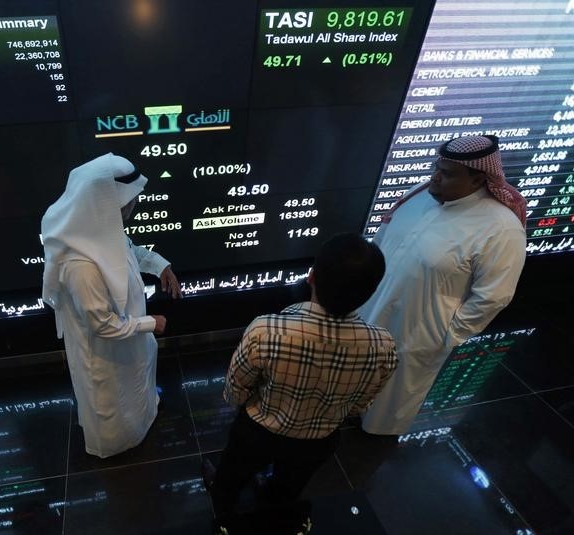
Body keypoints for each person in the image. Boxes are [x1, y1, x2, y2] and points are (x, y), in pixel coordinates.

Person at [203, 233, 397, 533]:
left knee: (231, 478)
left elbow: (235, 391)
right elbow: (359, 405)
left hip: (257, 433)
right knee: (288, 486)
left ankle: (224, 511)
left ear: (312, 277)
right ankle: (271, 500)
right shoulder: (383, 346)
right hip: (319, 440)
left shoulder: (266, 331)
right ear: (372, 291)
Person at [360, 134, 527, 436]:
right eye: (436, 168)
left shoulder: (502, 228)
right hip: (369, 310)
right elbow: (381, 241)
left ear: (478, 179)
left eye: (447, 173)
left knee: (390, 398)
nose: (435, 177)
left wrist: (448, 335)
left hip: (419, 330)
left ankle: (374, 438)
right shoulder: (418, 195)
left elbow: (494, 296)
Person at [41, 153, 181, 458]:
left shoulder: (102, 230)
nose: (134, 204)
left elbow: (128, 252)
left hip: (130, 340)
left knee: (137, 388)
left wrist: (160, 265)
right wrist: (151, 323)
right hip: (106, 355)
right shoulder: (80, 265)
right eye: (129, 199)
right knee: (113, 405)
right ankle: (119, 447)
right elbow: (101, 325)